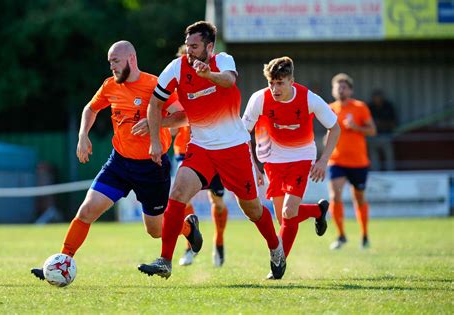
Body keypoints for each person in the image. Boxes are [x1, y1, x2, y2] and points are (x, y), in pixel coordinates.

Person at [31, 40, 197, 281]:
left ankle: (188, 228)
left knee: (155, 230)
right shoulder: (110, 86)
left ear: (131, 59)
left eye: (116, 61)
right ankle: (62, 262)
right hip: (119, 163)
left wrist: (156, 122)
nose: (112, 67)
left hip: (152, 166)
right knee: (86, 210)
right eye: (110, 63)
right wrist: (82, 136)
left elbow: (183, 116)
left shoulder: (154, 85)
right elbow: (90, 108)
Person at [138, 21, 286, 280]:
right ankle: (165, 260)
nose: (189, 51)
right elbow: (155, 104)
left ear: (209, 46)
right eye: (187, 46)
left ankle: (276, 248)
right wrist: (154, 138)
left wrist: (208, 76)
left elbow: (228, 81)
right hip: (201, 148)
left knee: (252, 209)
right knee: (178, 194)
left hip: (234, 149)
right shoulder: (176, 67)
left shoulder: (224, 61)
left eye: (195, 46)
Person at [242, 56, 340, 279]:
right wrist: (253, 167)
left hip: (301, 157)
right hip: (272, 159)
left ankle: (278, 265)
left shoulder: (308, 99)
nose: (275, 88)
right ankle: (317, 210)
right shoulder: (259, 99)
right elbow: (241, 134)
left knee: (288, 212)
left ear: (291, 81)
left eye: (280, 83)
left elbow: (335, 128)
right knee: (283, 217)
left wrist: (323, 160)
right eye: (271, 83)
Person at [328, 73, 377, 250]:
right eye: (338, 87)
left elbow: (372, 130)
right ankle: (341, 235)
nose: (341, 90)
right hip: (337, 161)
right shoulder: (330, 109)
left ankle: (364, 235)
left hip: (358, 162)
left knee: (359, 199)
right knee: (335, 195)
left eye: (344, 87)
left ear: (350, 90)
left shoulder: (360, 107)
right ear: (333, 90)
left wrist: (356, 127)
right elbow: (328, 133)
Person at [172, 126, 229, 267]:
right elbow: (172, 130)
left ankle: (219, 241)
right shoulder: (176, 102)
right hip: (185, 153)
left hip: (212, 151)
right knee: (183, 200)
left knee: (218, 203)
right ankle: (190, 248)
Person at [367, 89, 397, 171]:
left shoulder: (388, 106)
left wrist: (380, 124)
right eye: (375, 97)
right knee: (373, 158)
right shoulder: (369, 107)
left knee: (389, 156)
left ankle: (391, 173)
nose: (377, 99)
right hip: (373, 137)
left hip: (386, 136)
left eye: (379, 97)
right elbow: (365, 123)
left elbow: (393, 123)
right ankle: (375, 172)